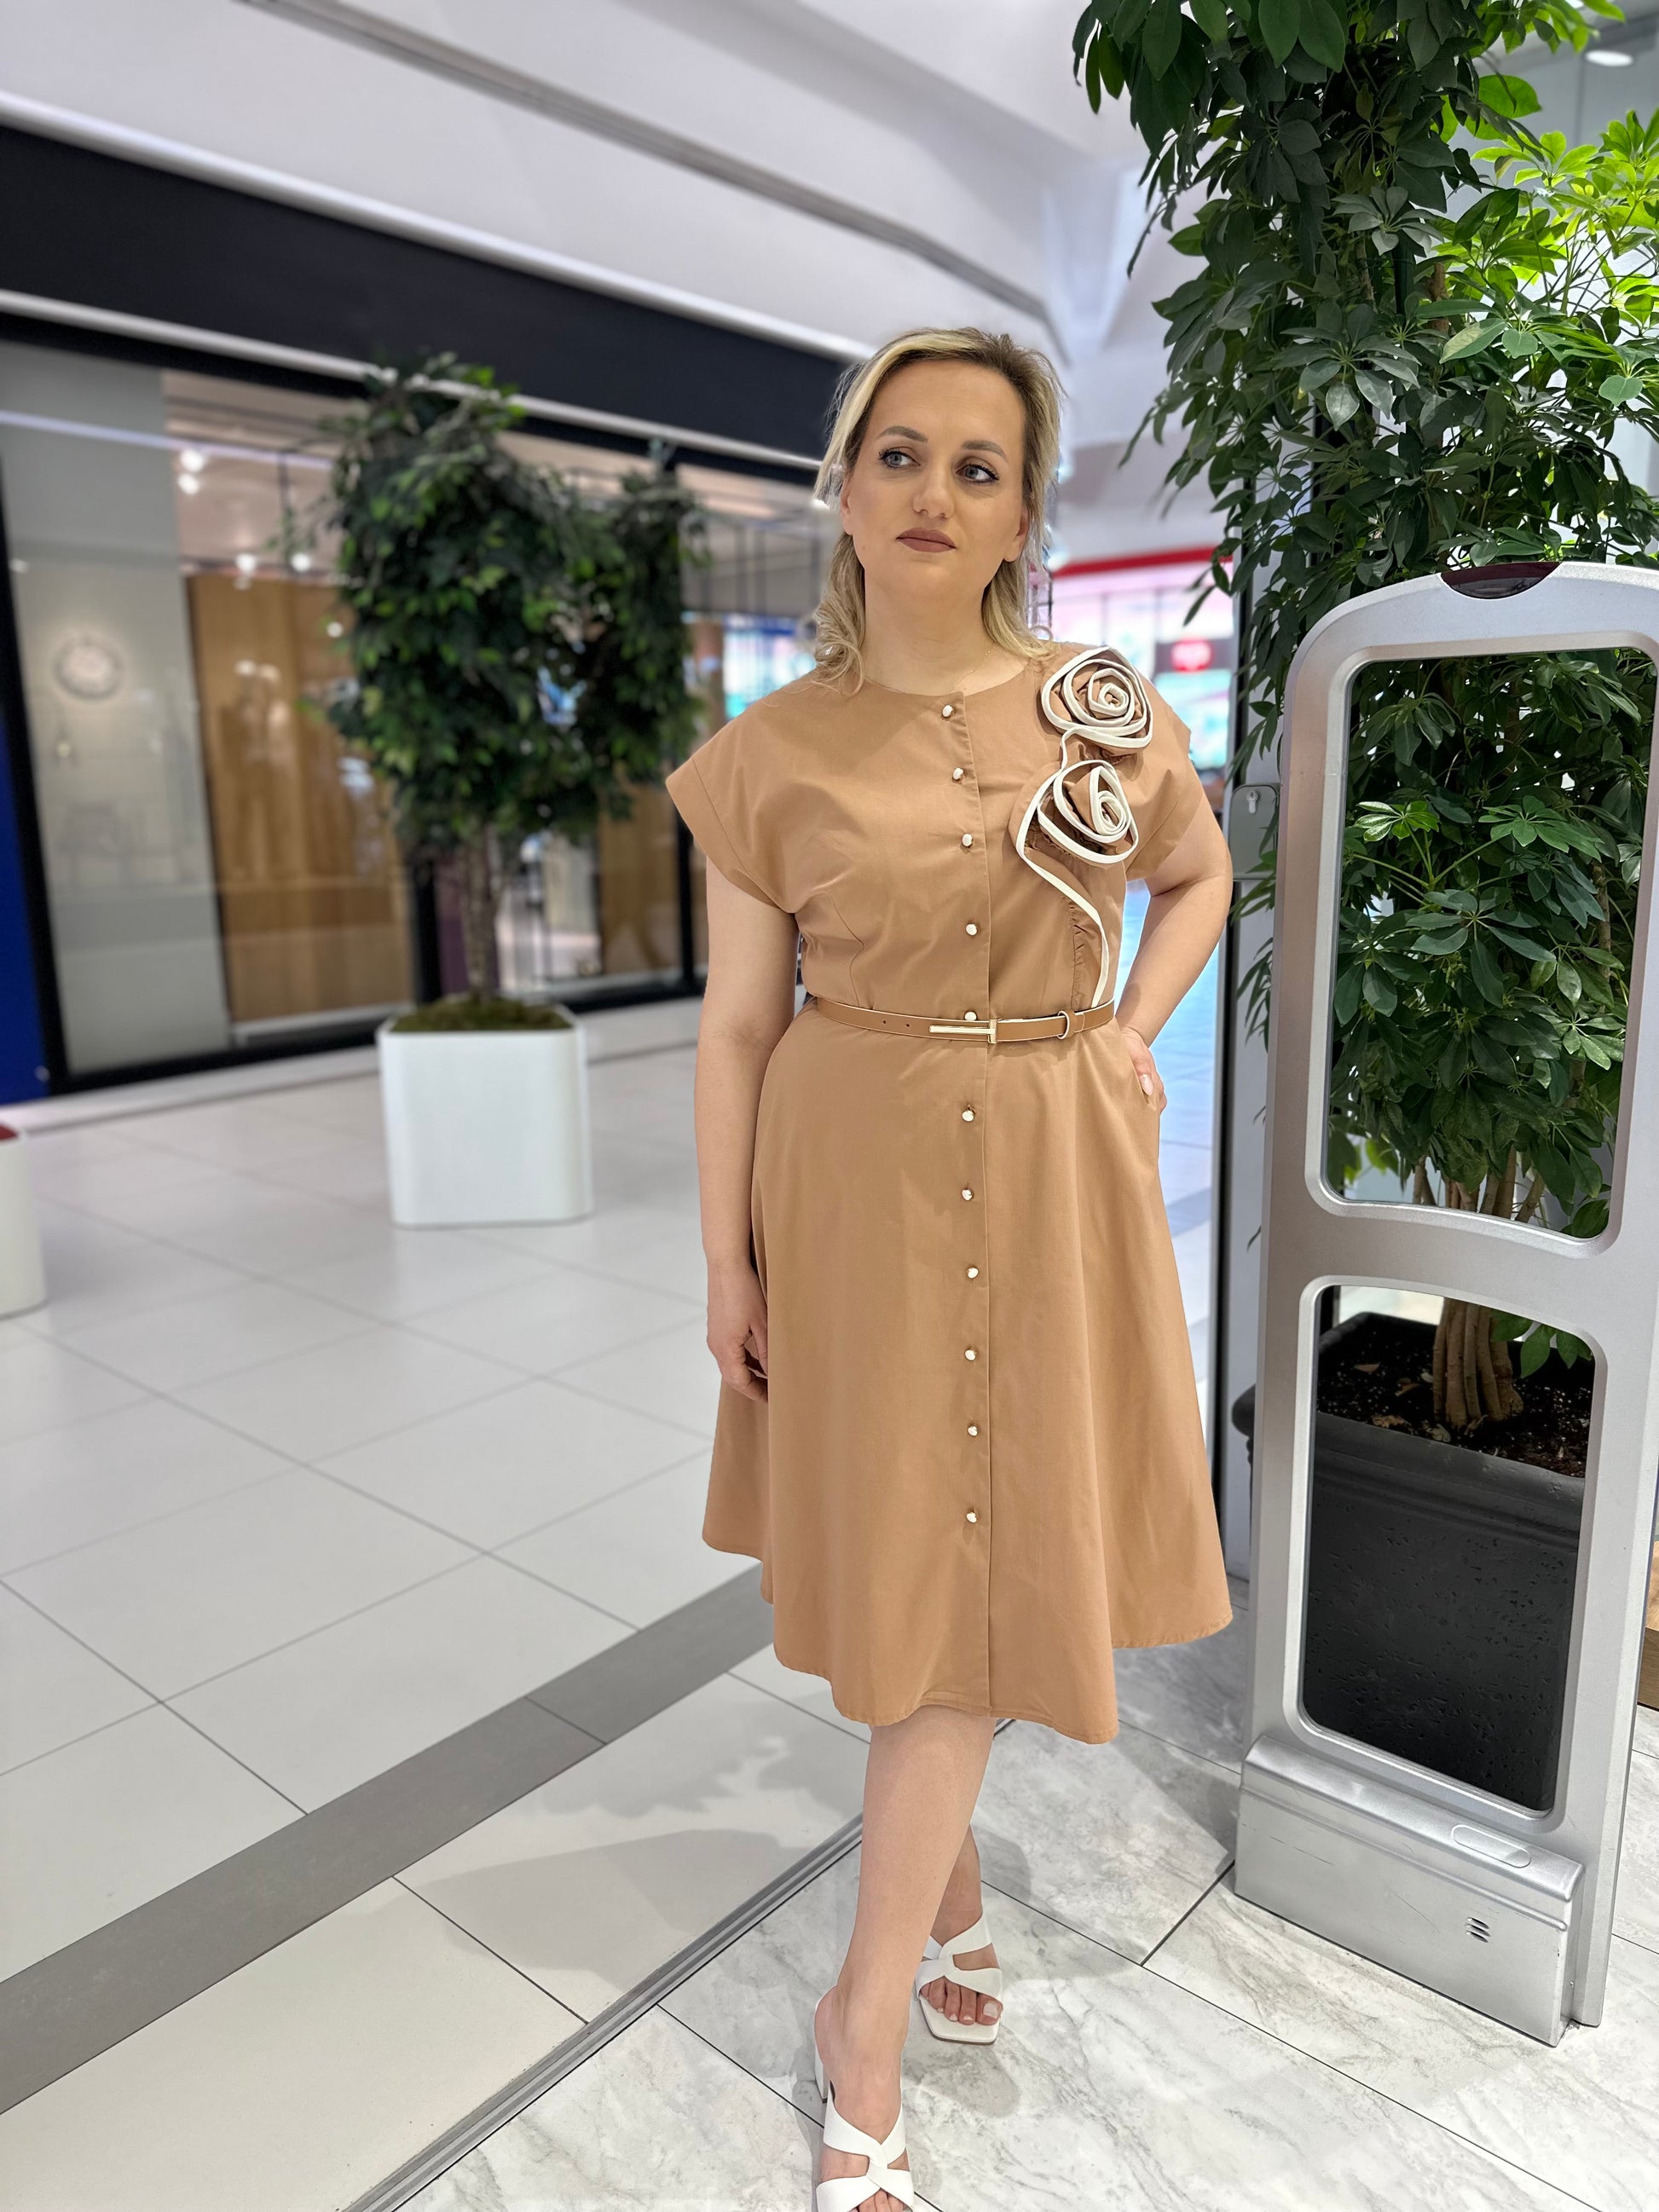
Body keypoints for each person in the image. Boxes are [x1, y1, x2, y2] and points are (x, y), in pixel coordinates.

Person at [663, 326, 1235, 2212]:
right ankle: (898, 1967)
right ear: (844, 487)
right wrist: (726, 1256)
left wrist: (1130, 1028)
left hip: (1054, 1172)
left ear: (1018, 515)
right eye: (897, 453)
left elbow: (1199, 873)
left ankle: (874, 2002)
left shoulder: (1098, 707)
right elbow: (736, 1028)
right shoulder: (768, 756)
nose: (931, 491)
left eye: (975, 467)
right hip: (860, 1184)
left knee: (972, 1570)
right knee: (916, 1560)